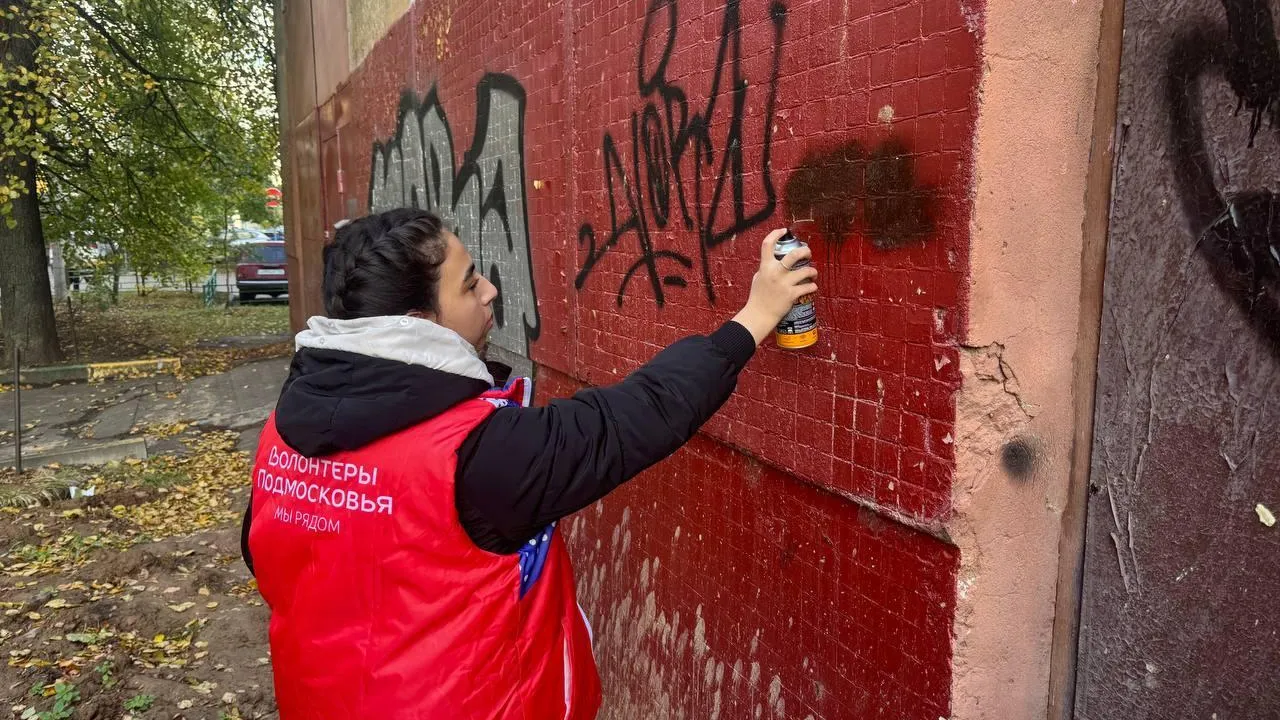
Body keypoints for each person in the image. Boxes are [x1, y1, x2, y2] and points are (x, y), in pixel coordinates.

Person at [240, 208, 819, 719]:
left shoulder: (283, 436)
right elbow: (632, 419)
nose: (490, 290)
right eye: (468, 285)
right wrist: (758, 315)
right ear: (417, 320)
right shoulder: (473, 455)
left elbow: (275, 559)